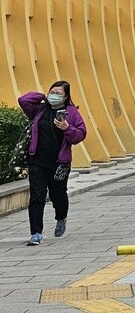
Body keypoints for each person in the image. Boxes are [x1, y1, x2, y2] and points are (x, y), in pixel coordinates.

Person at [18, 81, 87, 246]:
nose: (54, 95)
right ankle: (36, 233)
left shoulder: (71, 112)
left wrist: (66, 128)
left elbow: (80, 135)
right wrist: (43, 96)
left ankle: (61, 216)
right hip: (37, 161)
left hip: (59, 163)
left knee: (58, 195)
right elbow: (23, 100)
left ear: (66, 97)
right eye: (52, 92)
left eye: (58, 93)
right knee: (37, 196)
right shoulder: (39, 110)